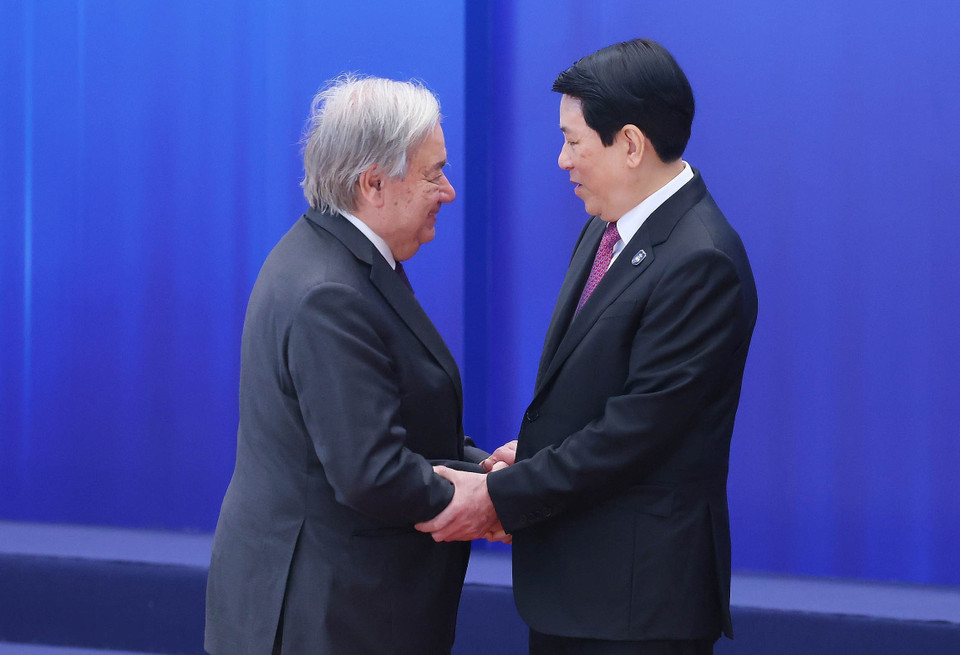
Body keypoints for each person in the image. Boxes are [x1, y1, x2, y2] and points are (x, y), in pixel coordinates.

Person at [416, 39, 758, 654]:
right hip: (581, 589)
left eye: (574, 141)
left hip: (636, 605)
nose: (562, 161)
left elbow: (636, 430)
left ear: (629, 144)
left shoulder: (701, 260)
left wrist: (496, 498)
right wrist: (533, 453)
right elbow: (601, 391)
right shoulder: (610, 226)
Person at [205, 75, 487, 655]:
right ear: (374, 183)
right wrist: (490, 503)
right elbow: (373, 471)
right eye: (433, 173)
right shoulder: (329, 291)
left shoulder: (336, 257)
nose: (449, 191)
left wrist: (487, 471)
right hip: (327, 618)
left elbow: (396, 417)